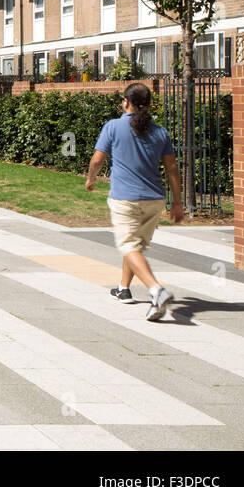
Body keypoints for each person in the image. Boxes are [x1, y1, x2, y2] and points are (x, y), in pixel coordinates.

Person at [85, 81, 183, 321]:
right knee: (135, 247)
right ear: (148, 104)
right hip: (154, 200)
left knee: (128, 246)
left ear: (125, 102)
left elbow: (98, 159)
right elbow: (172, 169)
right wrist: (178, 202)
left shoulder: (113, 126)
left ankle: (156, 290)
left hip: (124, 199)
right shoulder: (160, 132)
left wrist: (91, 179)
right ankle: (123, 289)